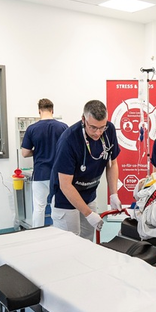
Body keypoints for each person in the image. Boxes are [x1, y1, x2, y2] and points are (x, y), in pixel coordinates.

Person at [50, 99, 121, 241]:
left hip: (88, 194)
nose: (98, 133)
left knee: (87, 239)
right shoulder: (69, 140)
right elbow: (65, 184)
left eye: (102, 127)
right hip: (65, 198)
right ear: (83, 119)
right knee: (70, 241)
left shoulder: (109, 130)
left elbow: (112, 163)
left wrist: (114, 194)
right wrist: (88, 214)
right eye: (93, 127)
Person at [20, 98, 68, 227]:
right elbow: (69, 150)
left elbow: (24, 153)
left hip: (40, 174)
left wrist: (38, 151)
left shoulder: (32, 129)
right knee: (57, 207)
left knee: (39, 207)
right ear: (52, 110)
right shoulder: (63, 127)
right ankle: (58, 234)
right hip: (59, 175)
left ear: (39, 111)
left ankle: (37, 235)